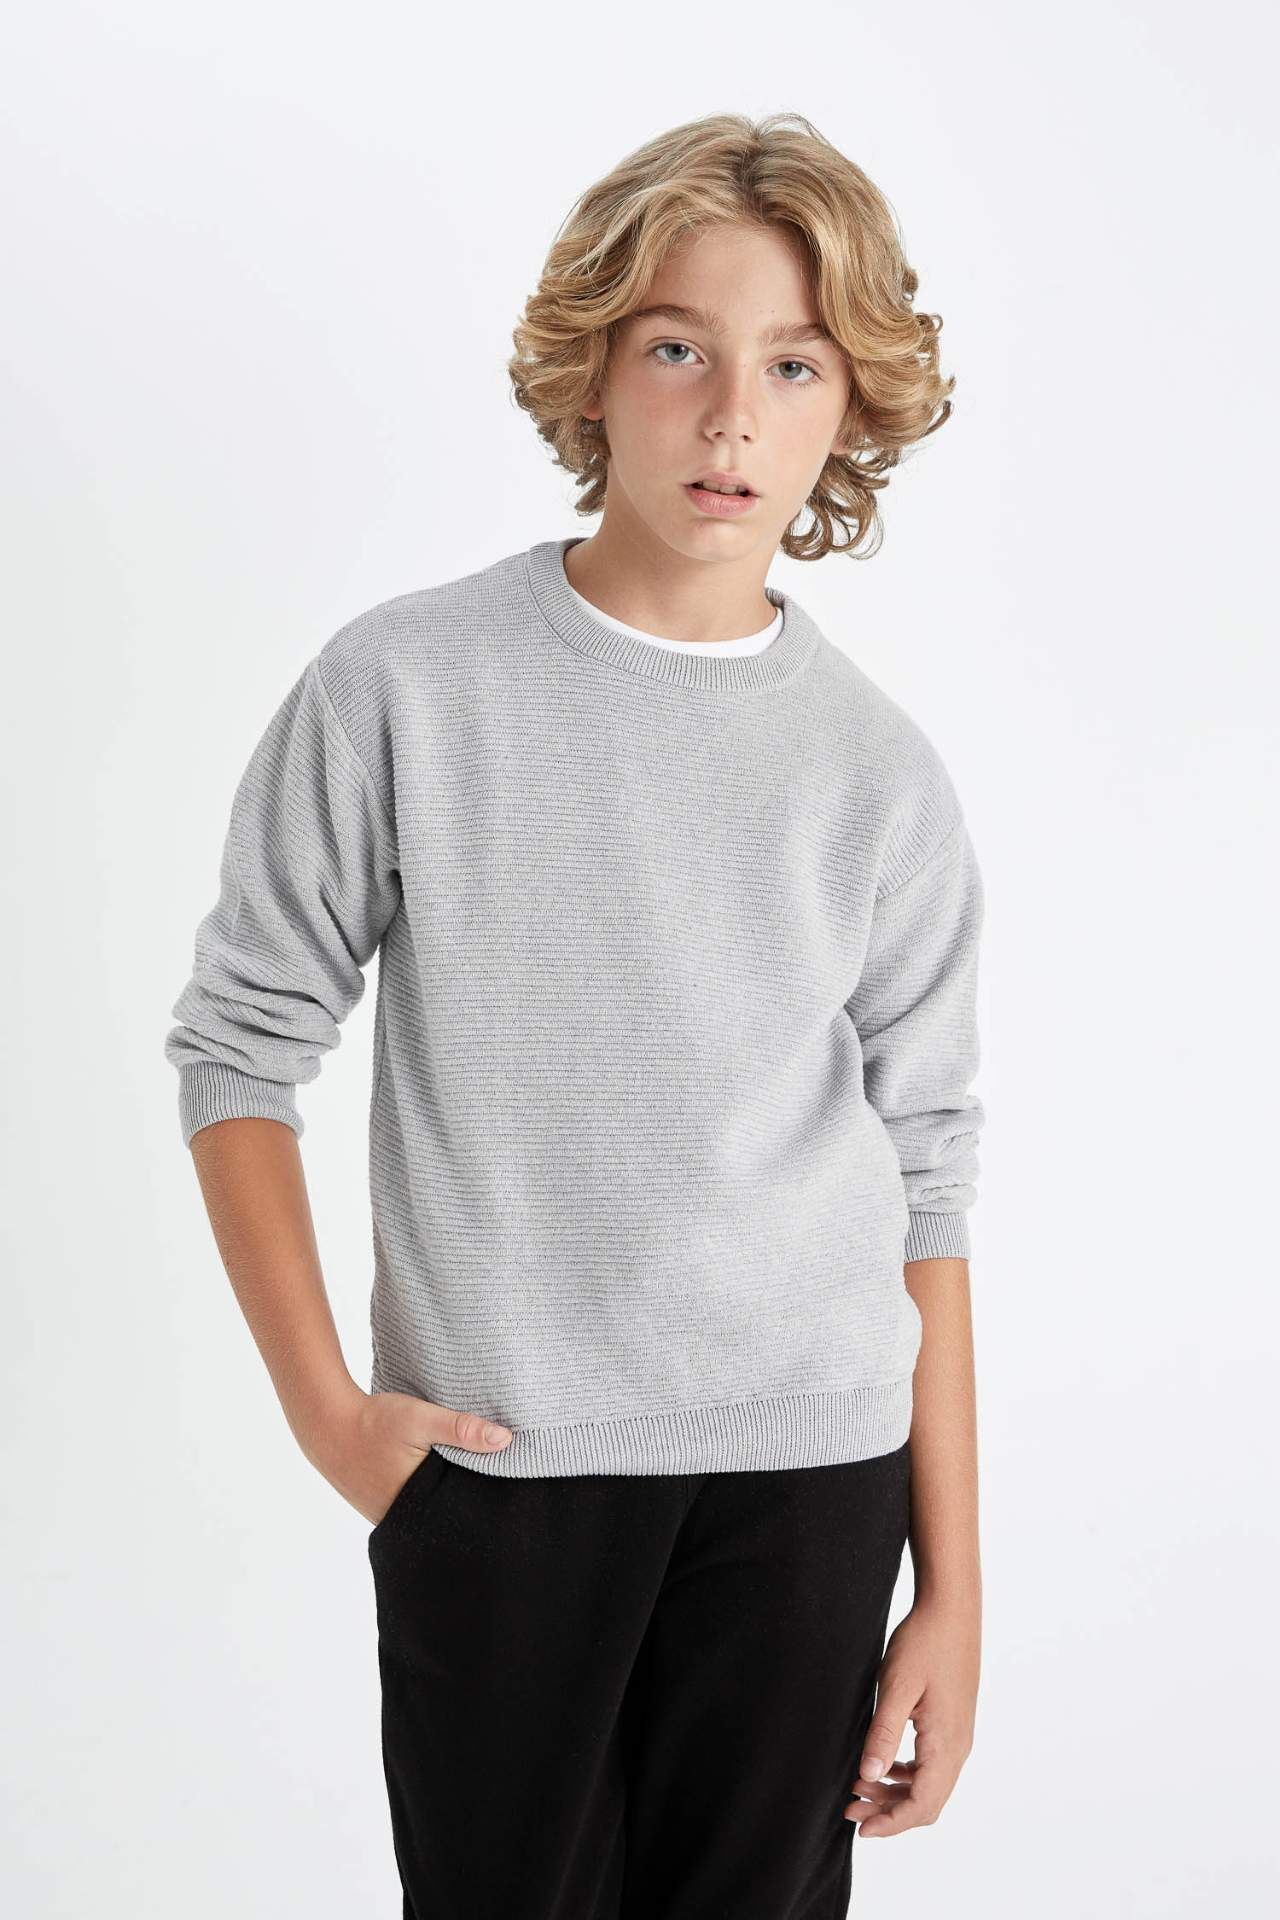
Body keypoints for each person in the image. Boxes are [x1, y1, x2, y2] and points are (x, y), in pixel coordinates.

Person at [164, 109, 987, 1920]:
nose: (733, 417)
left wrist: (955, 1585)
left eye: (793, 365)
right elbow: (238, 1046)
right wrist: (329, 1415)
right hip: (503, 1471)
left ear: (850, 407)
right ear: (597, 369)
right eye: (680, 349)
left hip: (814, 1474)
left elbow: (926, 1174)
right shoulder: (405, 687)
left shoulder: (877, 772)